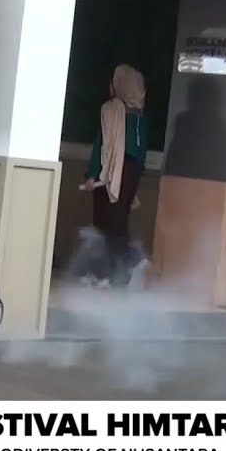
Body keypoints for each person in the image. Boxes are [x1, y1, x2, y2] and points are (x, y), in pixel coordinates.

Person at [79, 64, 148, 288]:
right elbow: (139, 155)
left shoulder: (111, 111)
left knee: (105, 223)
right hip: (128, 175)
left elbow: (102, 146)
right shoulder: (140, 118)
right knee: (117, 222)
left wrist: (92, 174)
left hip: (106, 176)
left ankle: (109, 272)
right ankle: (118, 272)